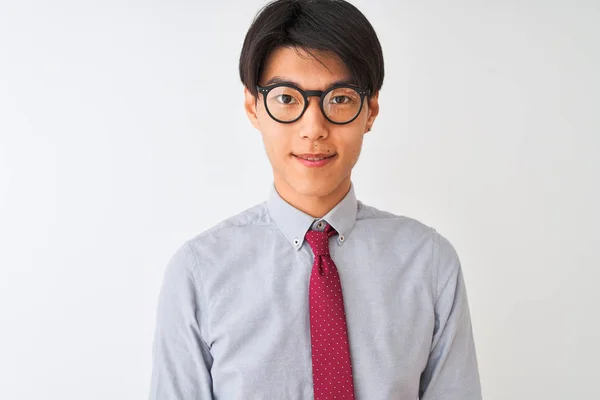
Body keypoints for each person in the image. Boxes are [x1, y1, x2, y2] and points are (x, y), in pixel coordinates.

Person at [148, 0, 482, 399]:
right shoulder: (198, 274)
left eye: (339, 98)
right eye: (287, 98)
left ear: (370, 109)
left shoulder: (429, 264)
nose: (314, 128)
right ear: (253, 107)